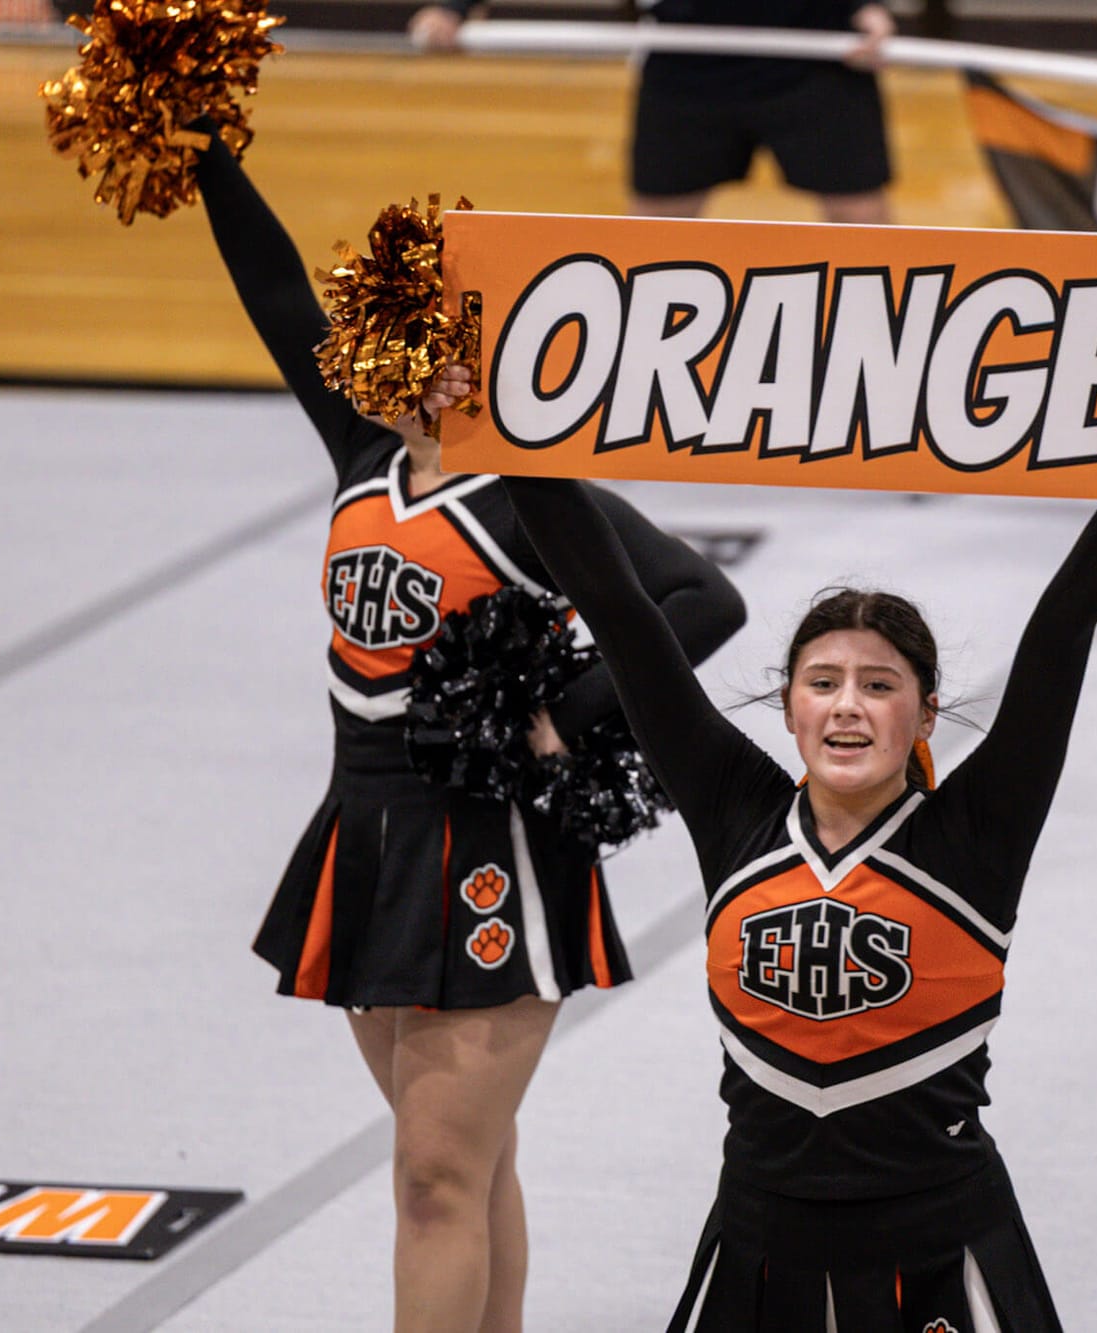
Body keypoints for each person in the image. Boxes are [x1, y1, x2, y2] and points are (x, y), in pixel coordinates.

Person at [419, 362, 1097, 1331]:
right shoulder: (735, 809)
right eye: (822, 682)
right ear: (788, 706)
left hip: (939, 1249)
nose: (847, 704)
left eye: (878, 684)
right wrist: (499, 430)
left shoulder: (975, 833)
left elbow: (1061, 631)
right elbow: (617, 607)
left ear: (924, 712)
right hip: (760, 1245)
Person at [192, 135, 747, 1333]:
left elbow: (706, 601)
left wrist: (561, 709)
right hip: (365, 832)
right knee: (460, 1164)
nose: (395, 365)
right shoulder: (361, 454)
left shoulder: (533, 494)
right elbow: (274, 288)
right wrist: (208, 155)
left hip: (487, 844)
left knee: (434, 1176)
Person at [406, 0, 898, 225]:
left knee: (862, 221)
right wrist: (454, 6)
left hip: (817, 59)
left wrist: (868, 7)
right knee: (656, 233)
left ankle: (888, 337)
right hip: (685, 65)